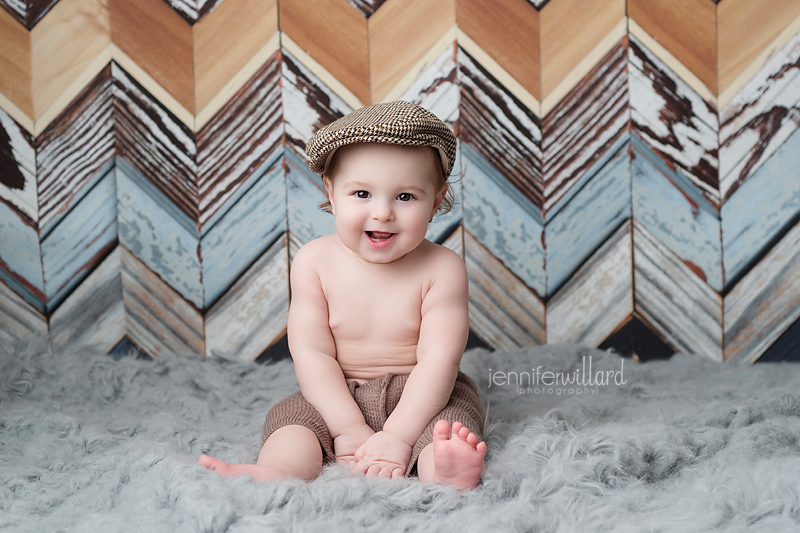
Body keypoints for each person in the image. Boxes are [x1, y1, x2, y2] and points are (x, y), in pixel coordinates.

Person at [199, 101, 486, 490]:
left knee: (447, 429)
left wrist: (399, 437)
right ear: (332, 194)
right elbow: (312, 353)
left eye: (405, 197)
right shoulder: (313, 262)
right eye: (362, 193)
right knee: (293, 422)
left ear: (435, 202)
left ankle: (447, 471)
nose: (382, 213)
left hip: (423, 394)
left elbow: (439, 362)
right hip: (335, 391)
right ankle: (277, 470)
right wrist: (348, 426)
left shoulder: (442, 269)